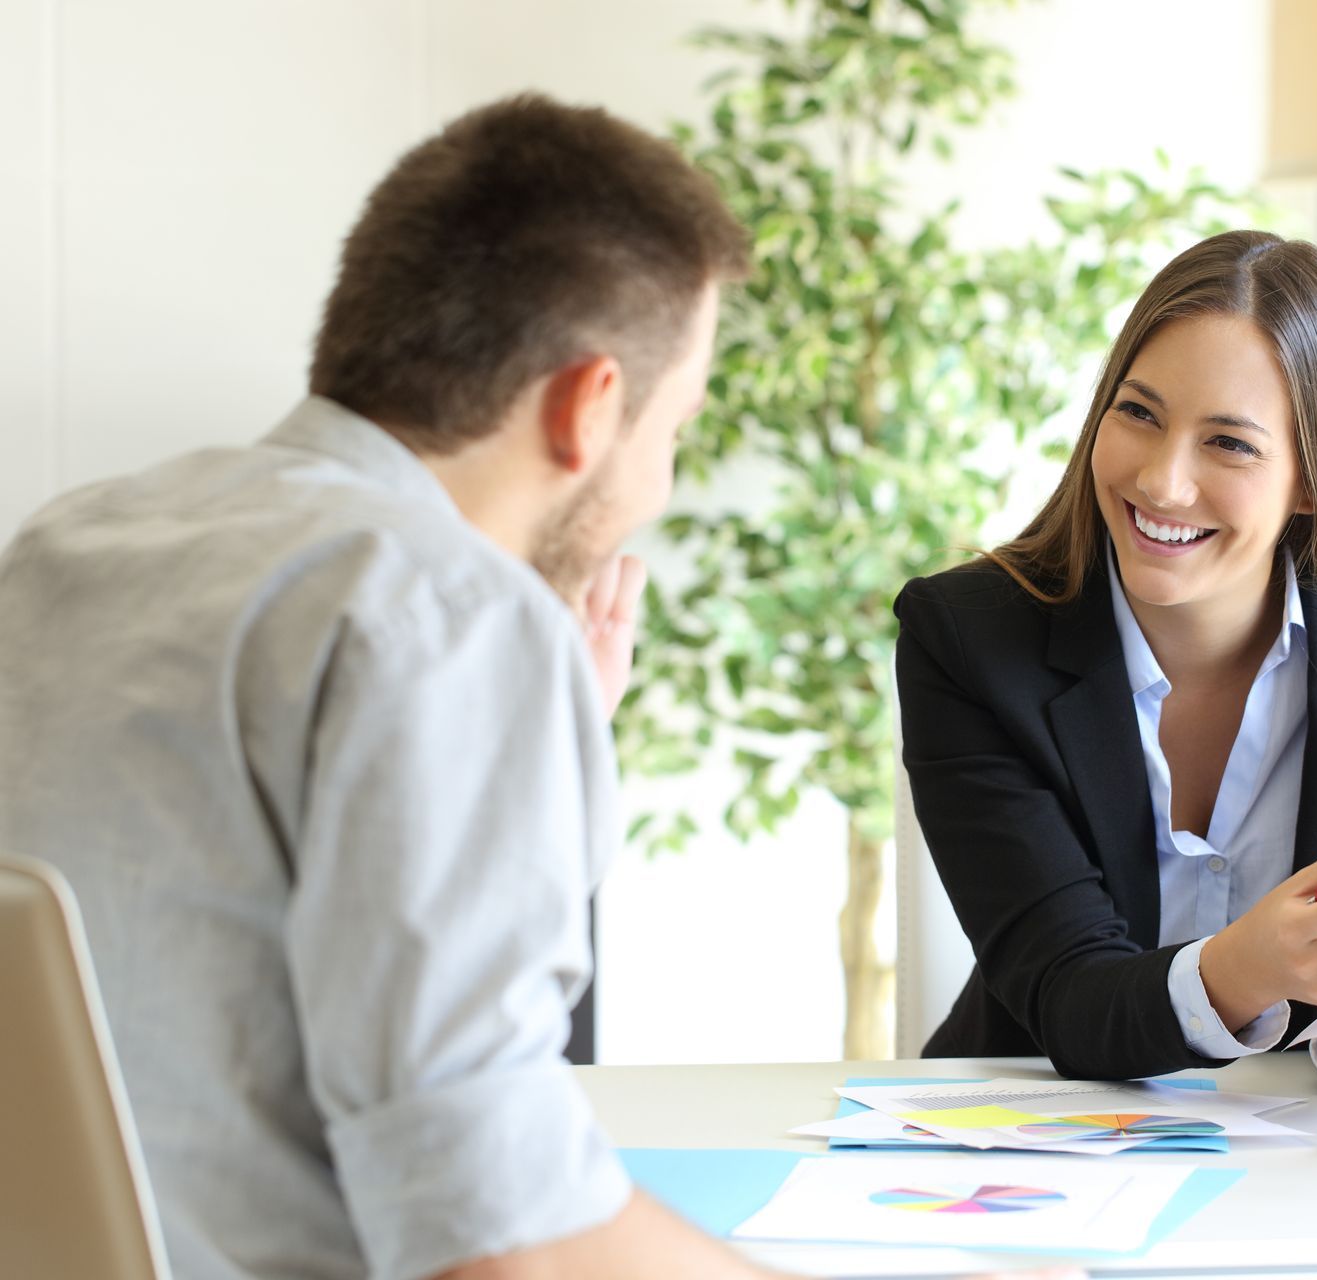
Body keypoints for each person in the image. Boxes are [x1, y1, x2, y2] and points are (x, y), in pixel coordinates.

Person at [0, 95, 1075, 1280]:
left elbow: (206, 975)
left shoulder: (77, 540)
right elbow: (507, 1241)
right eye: (678, 426)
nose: (660, 482)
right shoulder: (440, 608)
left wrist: (533, 757)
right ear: (590, 404)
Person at [893, 230, 1317, 1086]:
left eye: (1230, 443)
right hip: (1036, 1121)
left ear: (1315, 477)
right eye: (1139, 413)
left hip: (1304, 1135)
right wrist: (1244, 968)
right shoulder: (968, 638)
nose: (1162, 482)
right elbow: (1065, 989)